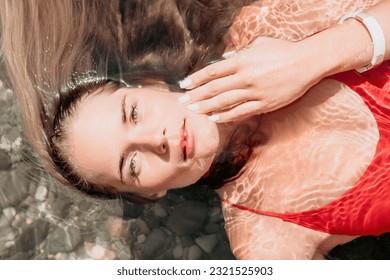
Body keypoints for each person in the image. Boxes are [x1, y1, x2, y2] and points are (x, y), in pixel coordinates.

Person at [1, 0, 390, 259]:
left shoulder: (264, 31)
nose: (156, 139)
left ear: (152, 85)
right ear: (150, 193)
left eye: (134, 113)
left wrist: (312, 59)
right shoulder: (262, 236)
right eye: (132, 165)